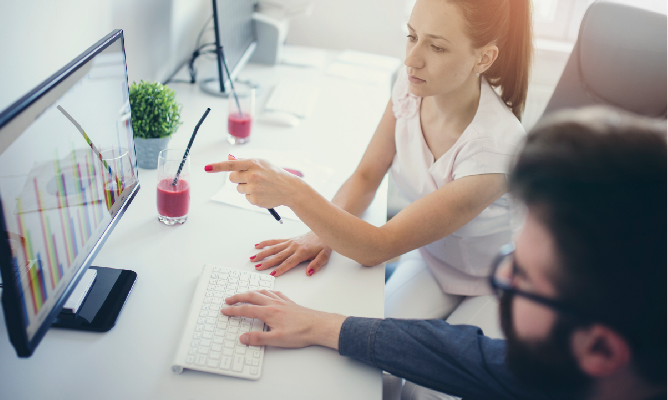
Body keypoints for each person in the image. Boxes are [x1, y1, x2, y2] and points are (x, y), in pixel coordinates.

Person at [218, 109, 667, 400]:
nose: (503, 272)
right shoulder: (580, 368)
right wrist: (320, 324)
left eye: (521, 277)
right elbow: (470, 355)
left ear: (601, 348)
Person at [207, 0, 533, 328]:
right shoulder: (414, 86)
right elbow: (366, 176)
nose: (411, 59)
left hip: (500, 283)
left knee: (426, 378)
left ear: (484, 57)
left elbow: (379, 247)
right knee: (383, 372)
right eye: (411, 36)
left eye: (436, 46)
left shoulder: (495, 150)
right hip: (433, 259)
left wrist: (294, 193)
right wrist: (318, 234)